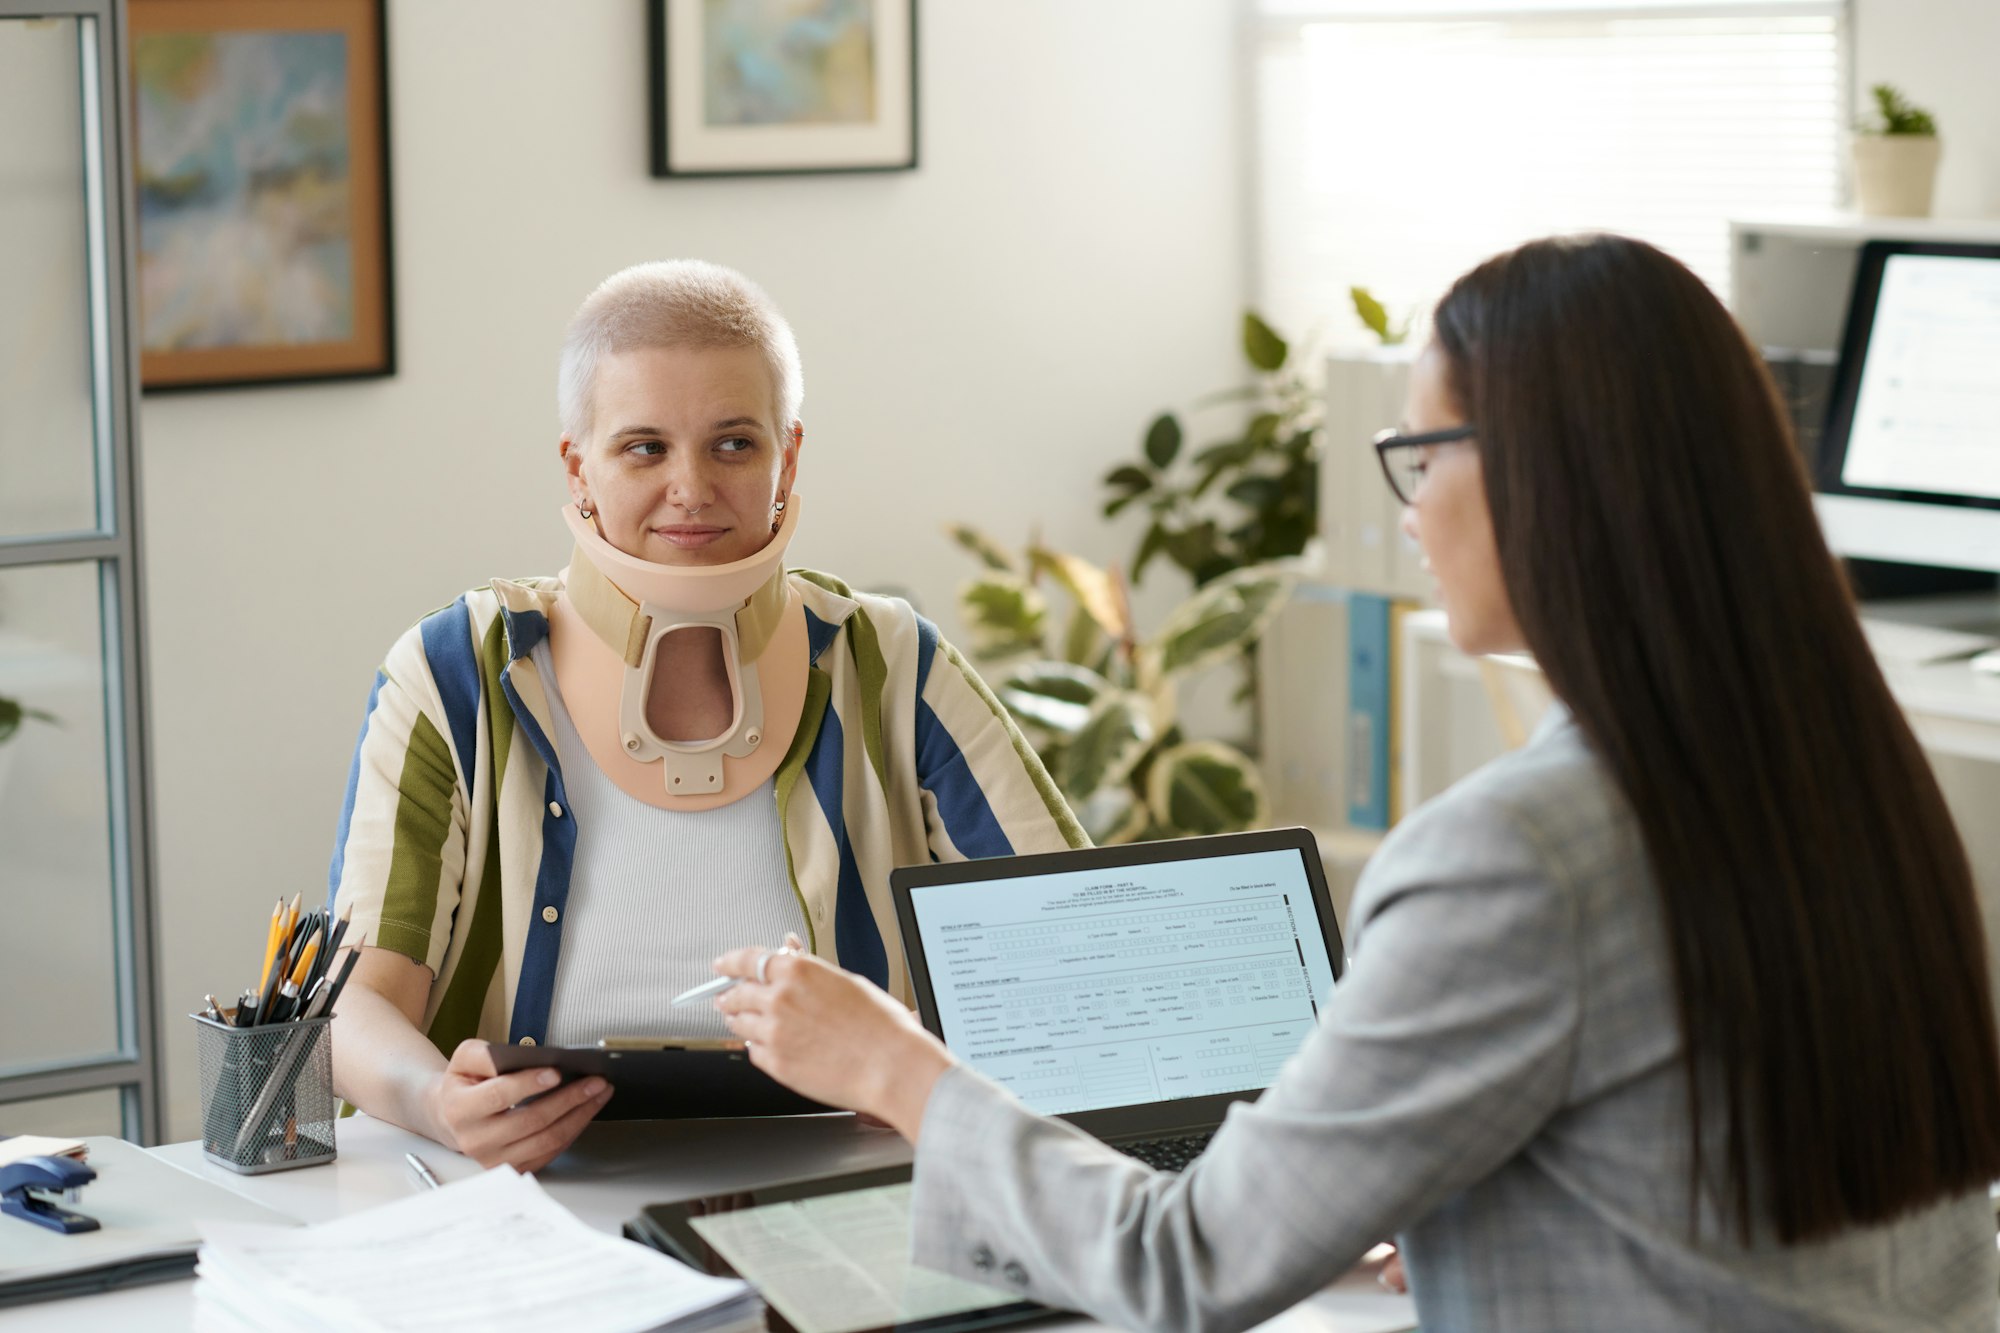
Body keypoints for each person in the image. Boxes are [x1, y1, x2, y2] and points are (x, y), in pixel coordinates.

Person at [707, 235, 2000, 1331]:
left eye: (1423, 456)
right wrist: (1447, 1214)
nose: (1409, 510)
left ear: (1546, 473)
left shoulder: (1521, 853)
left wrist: (896, 1068)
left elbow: (1182, 1261)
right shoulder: (1842, 779)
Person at [324, 260, 1084, 1172]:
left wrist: (919, 1067)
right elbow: (355, 1002)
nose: (691, 487)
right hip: (528, 1202)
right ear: (580, 466)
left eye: (733, 444)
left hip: (850, 1187)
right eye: (644, 447)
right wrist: (437, 1102)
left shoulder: (892, 662)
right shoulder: (456, 673)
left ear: (787, 457)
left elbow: (1069, 943)